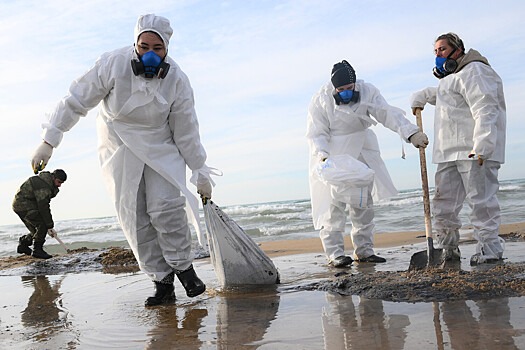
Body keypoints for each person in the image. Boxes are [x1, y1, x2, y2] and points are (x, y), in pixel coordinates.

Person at [30, 14, 215, 306]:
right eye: (144, 47)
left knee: (166, 207)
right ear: (135, 44)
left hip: (160, 144)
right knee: (134, 214)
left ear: (167, 49)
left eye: (158, 48)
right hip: (118, 144)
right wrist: (49, 140)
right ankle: (162, 282)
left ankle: (184, 268)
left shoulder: (177, 80)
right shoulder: (112, 64)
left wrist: (199, 168)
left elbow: (187, 129)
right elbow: (75, 101)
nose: (150, 54)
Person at [306, 60, 428, 267]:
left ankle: (364, 251)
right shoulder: (321, 99)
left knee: (362, 203)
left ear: (355, 84)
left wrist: (411, 133)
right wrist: (322, 156)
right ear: (334, 87)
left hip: (362, 151)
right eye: (341, 89)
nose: (345, 92)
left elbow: (387, 113)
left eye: (349, 88)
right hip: (333, 155)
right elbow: (316, 132)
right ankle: (335, 254)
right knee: (333, 206)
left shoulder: (368, 91)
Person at [410, 32, 506, 265]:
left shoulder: (475, 71)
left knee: (480, 201)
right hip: (448, 151)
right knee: (444, 203)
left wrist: (483, 143)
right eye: (435, 51)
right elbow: (448, 96)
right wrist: (424, 96)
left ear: (457, 50)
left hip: (473, 150)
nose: (438, 55)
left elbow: (485, 107)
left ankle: (490, 249)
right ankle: (448, 248)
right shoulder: (452, 77)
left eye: (442, 49)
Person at [12, 169, 67, 259]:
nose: (59, 185)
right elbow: (43, 206)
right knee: (43, 225)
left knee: (37, 230)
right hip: (24, 205)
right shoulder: (43, 185)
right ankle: (37, 250)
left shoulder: (45, 182)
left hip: (20, 205)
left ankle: (23, 245)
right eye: (59, 182)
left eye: (61, 183)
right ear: (53, 177)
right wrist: (49, 225)